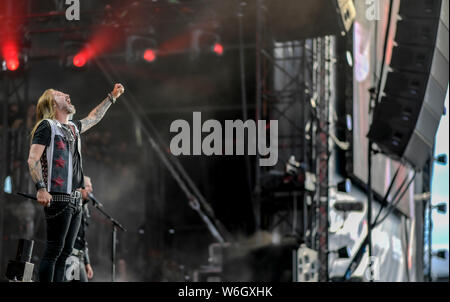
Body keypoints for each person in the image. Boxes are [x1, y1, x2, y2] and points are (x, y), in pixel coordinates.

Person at [27, 84, 125, 282]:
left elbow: (93, 118)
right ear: (53, 103)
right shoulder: (47, 126)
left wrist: (111, 98)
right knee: (54, 250)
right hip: (58, 196)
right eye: (61, 95)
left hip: (76, 199)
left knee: (65, 253)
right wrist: (41, 188)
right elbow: (32, 159)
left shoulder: (73, 127)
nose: (67, 95)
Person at [68, 175, 94, 282]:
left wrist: (87, 262)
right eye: (88, 186)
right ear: (80, 187)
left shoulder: (85, 209)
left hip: (79, 258)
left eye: (91, 186)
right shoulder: (70, 205)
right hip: (68, 256)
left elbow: (83, 240)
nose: (91, 189)